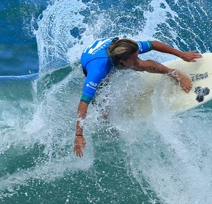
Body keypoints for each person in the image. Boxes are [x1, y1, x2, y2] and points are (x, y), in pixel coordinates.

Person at [74, 37, 202, 157]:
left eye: (137, 55)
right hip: (92, 60)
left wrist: (182, 54)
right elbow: (84, 102)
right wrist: (79, 135)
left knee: (140, 66)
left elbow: (153, 44)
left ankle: (173, 73)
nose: (138, 59)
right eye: (134, 58)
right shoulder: (97, 72)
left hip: (110, 48)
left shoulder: (127, 48)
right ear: (121, 62)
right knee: (102, 108)